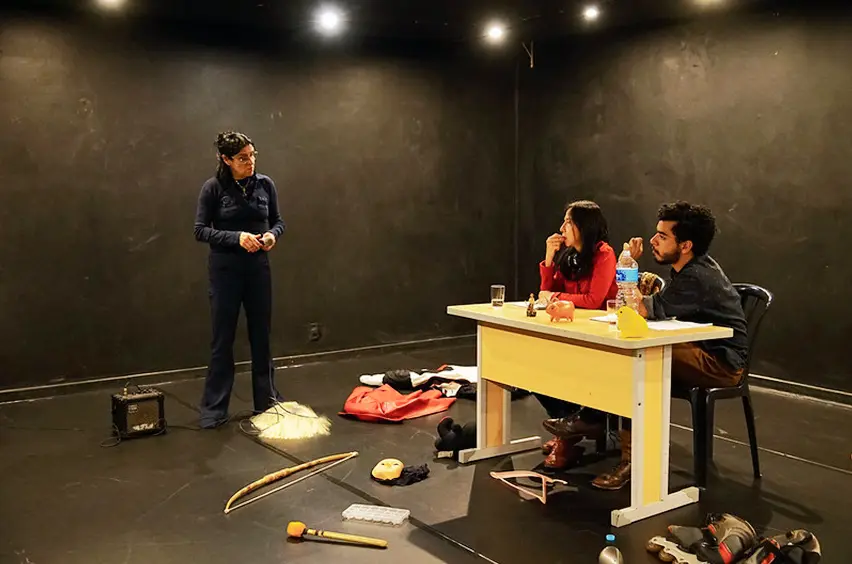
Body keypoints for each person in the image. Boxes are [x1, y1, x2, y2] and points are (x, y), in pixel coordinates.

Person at [587, 201, 749, 490]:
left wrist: (628, 263)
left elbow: (640, 309)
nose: (652, 240)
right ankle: (594, 423)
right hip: (700, 349)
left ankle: (625, 454)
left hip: (721, 363)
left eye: (662, 236)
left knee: (635, 360)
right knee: (631, 357)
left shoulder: (697, 276)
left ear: (686, 245)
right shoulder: (690, 269)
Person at [193, 131, 286, 428]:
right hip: (225, 272)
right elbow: (200, 230)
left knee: (262, 337)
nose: (250, 162)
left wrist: (272, 235)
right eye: (243, 158)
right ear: (226, 159)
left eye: (253, 155)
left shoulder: (265, 184)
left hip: (258, 269)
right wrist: (237, 238)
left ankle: (266, 402)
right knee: (223, 339)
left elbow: (278, 221)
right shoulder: (213, 188)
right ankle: (214, 410)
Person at [535, 200, 618, 469]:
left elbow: (594, 300)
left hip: (601, 333)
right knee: (532, 368)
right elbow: (546, 290)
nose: (562, 228)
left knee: (564, 366)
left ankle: (568, 435)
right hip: (572, 328)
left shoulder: (604, 254)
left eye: (568, 222)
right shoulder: (569, 256)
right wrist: (549, 258)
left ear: (584, 226)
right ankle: (570, 425)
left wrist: (554, 296)